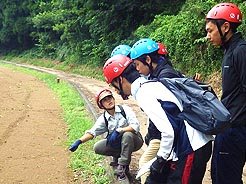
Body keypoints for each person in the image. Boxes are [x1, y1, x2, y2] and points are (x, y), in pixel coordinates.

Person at [103, 54, 214, 184]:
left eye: (113, 85)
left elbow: (169, 131)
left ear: (120, 80)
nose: (116, 91)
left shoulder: (144, 93)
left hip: (190, 147)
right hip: (189, 145)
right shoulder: (148, 84)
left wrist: (160, 160)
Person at [130, 38, 182, 183]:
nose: (137, 69)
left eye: (138, 64)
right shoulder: (158, 75)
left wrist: (161, 158)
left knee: (147, 167)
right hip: (171, 140)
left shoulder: (165, 76)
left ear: (148, 59)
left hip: (181, 143)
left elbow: (170, 121)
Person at [205, 3, 246, 184]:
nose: (208, 36)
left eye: (210, 30)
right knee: (219, 174)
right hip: (229, 126)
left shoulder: (240, 51)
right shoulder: (230, 51)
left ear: (226, 27)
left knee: (225, 178)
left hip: (235, 129)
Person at [69, 88, 143, 181]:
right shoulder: (104, 118)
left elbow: (135, 126)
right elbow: (93, 132)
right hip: (118, 143)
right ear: (101, 105)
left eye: (110, 97)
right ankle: (117, 157)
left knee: (127, 135)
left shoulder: (125, 109)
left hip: (134, 140)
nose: (109, 101)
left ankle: (122, 165)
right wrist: (79, 141)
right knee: (98, 147)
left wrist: (120, 130)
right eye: (105, 100)